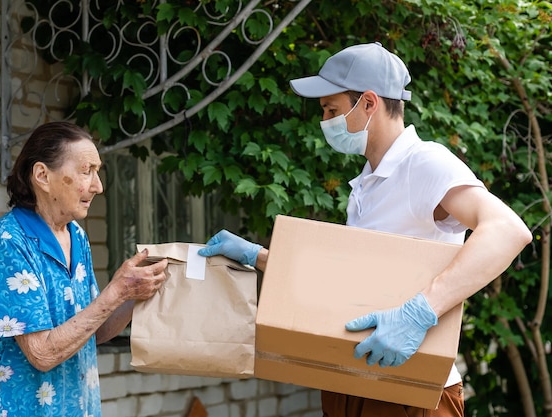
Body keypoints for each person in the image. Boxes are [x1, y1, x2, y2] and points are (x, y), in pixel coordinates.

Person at [198, 42, 532, 417]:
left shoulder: (425, 163)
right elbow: (353, 286)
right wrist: (257, 257)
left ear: (369, 103)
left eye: (331, 109)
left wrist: (418, 313)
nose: (324, 120)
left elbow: (508, 230)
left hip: (410, 391)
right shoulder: (367, 184)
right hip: (352, 381)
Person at [0, 122, 169, 417]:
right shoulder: (9, 239)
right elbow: (43, 354)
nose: (98, 186)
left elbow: (92, 331)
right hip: (15, 408)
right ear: (42, 176)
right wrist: (116, 292)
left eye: (97, 172)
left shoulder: (76, 235)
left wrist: (136, 292)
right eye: (87, 171)